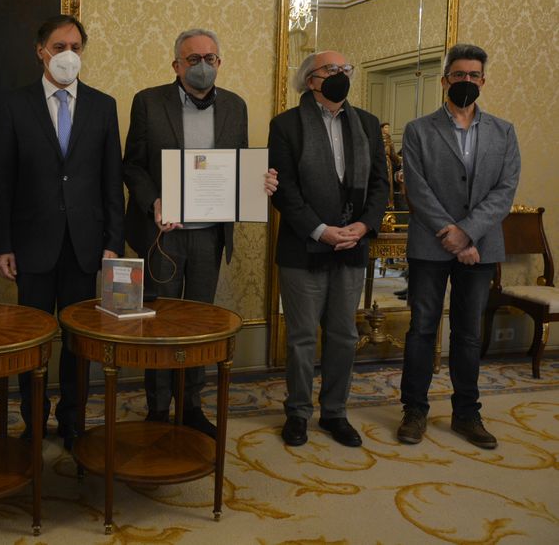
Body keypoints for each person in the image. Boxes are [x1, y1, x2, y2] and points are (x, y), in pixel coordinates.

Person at [122, 28, 277, 438]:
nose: (203, 66)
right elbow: (132, 165)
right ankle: (157, 408)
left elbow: (238, 164)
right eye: (193, 59)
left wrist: (256, 182)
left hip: (210, 235)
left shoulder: (235, 107)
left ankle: (191, 404)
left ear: (220, 63)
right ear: (176, 65)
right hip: (162, 236)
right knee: (159, 325)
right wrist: (153, 201)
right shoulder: (148, 102)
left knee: (198, 326)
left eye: (210, 58)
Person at [0, 14, 124, 450]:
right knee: (32, 342)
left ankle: (72, 419)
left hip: (86, 247)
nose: (68, 55)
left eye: (76, 47)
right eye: (59, 46)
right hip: (31, 245)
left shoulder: (104, 106)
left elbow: (111, 182)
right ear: (40, 50)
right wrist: (3, 245)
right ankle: (33, 421)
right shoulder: (14, 105)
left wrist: (112, 244)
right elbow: (2, 180)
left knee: (78, 343)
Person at [396, 44, 520, 449]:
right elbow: (417, 188)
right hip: (430, 247)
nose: (466, 81)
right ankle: (413, 410)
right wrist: (451, 235)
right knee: (421, 330)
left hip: (481, 248)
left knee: (467, 335)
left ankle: (467, 414)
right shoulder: (418, 130)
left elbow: (504, 191)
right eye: (458, 75)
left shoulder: (503, 131)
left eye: (473, 76)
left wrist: (466, 233)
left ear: (483, 81)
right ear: (445, 78)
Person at [268, 50, 388, 448]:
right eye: (331, 70)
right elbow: (284, 191)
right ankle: (298, 412)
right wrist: (320, 230)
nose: (341, 75)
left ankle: (335, 412)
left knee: (343, 335)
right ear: (310, 80)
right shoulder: (285, 125)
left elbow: (380, 186)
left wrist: (364, 225)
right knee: (302, 336)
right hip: (304, 248)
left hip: (352, 246)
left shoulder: (368, 124)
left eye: (346, 68)